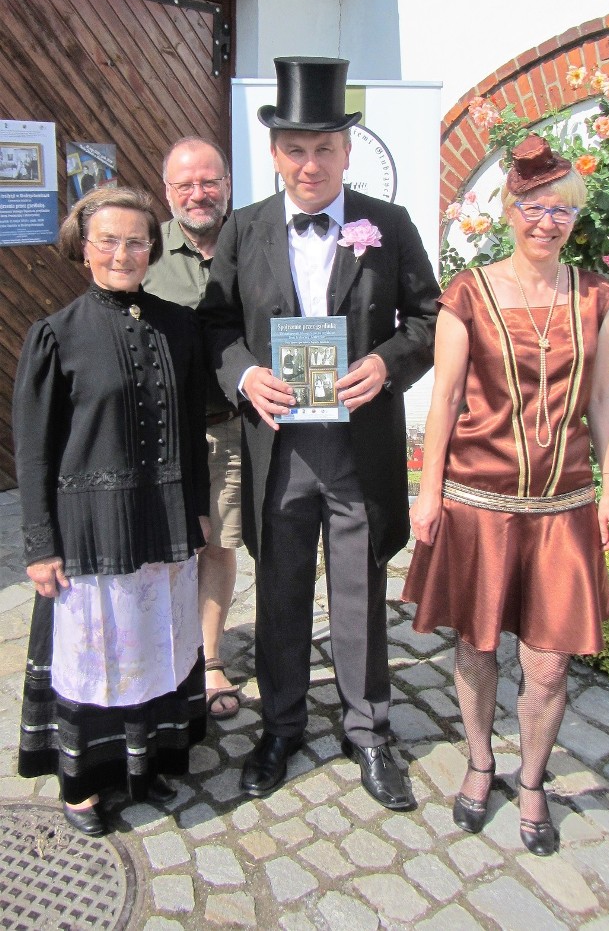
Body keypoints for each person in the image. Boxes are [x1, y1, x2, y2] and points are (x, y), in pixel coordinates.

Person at [200, 56, 439, 809]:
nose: (310, 164)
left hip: (356, 444)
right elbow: (215, 324)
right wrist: (243, 374)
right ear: (276, 154)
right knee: (279, 587)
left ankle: (368, 729)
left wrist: (387, 362)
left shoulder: (388, 225)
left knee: (361, 585)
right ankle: (281, 724)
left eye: (325, 149)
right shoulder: (243, 230)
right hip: (278, 445)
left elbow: (431, 318)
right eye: (296, 149)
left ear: (347, 150)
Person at [404, 134, 609, 856]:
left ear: (573, 216)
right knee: (475, 644)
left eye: (560, 208)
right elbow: (443, 404)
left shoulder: (596, 296)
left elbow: (602, 401)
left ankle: (531, 781)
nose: (546, 220)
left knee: (550, 661)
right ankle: (478, 758)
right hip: (478, 503)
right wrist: (428, 492)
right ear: (508, 208)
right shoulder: (466, 292)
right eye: (533, 205)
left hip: (563, 509)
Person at [13, 186, 210, 837]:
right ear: (84, 247)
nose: (124, 252)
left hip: (164, 520)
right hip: (91, 530)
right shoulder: (55, 336)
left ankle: (143, 765)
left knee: (156, 647)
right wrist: (40, 545)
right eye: (109, 240)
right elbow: (34, 452)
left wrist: (200, 512)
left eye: (136, 240)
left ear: (152, 248)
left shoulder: (179, 325)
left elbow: (190, 430)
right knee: (99, 656)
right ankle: (83, 785)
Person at [144, 137, 242, 720]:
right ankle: (158, 657)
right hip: (161, 432)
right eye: (185, 185)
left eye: (209, 182)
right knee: (161, 549)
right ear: (168, 191)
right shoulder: (148, 247)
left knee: (219, 542)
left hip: (229, 426)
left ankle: (208, 660)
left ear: (227, 183)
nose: (198, 194)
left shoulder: (254, 241)